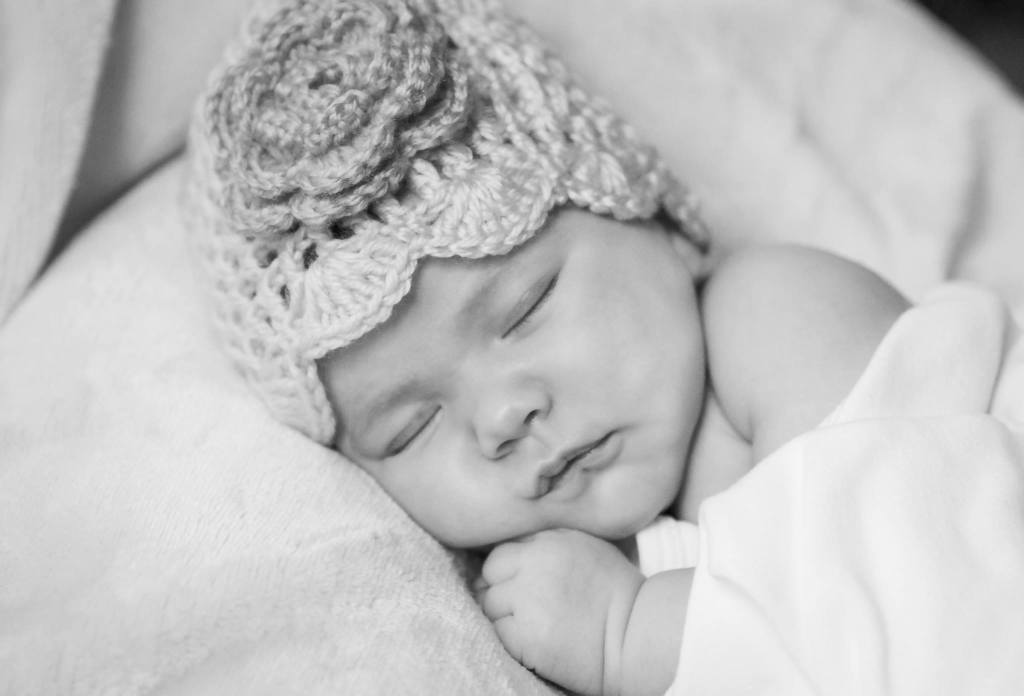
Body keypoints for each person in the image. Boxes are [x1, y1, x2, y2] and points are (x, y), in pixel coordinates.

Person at [186, 0, 907, 694]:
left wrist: (627, 636)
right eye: (412, 428)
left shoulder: (779, 315)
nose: (503, 417)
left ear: (652, 216)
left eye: (525, 309)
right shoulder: (564, 582)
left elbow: (904, 585)